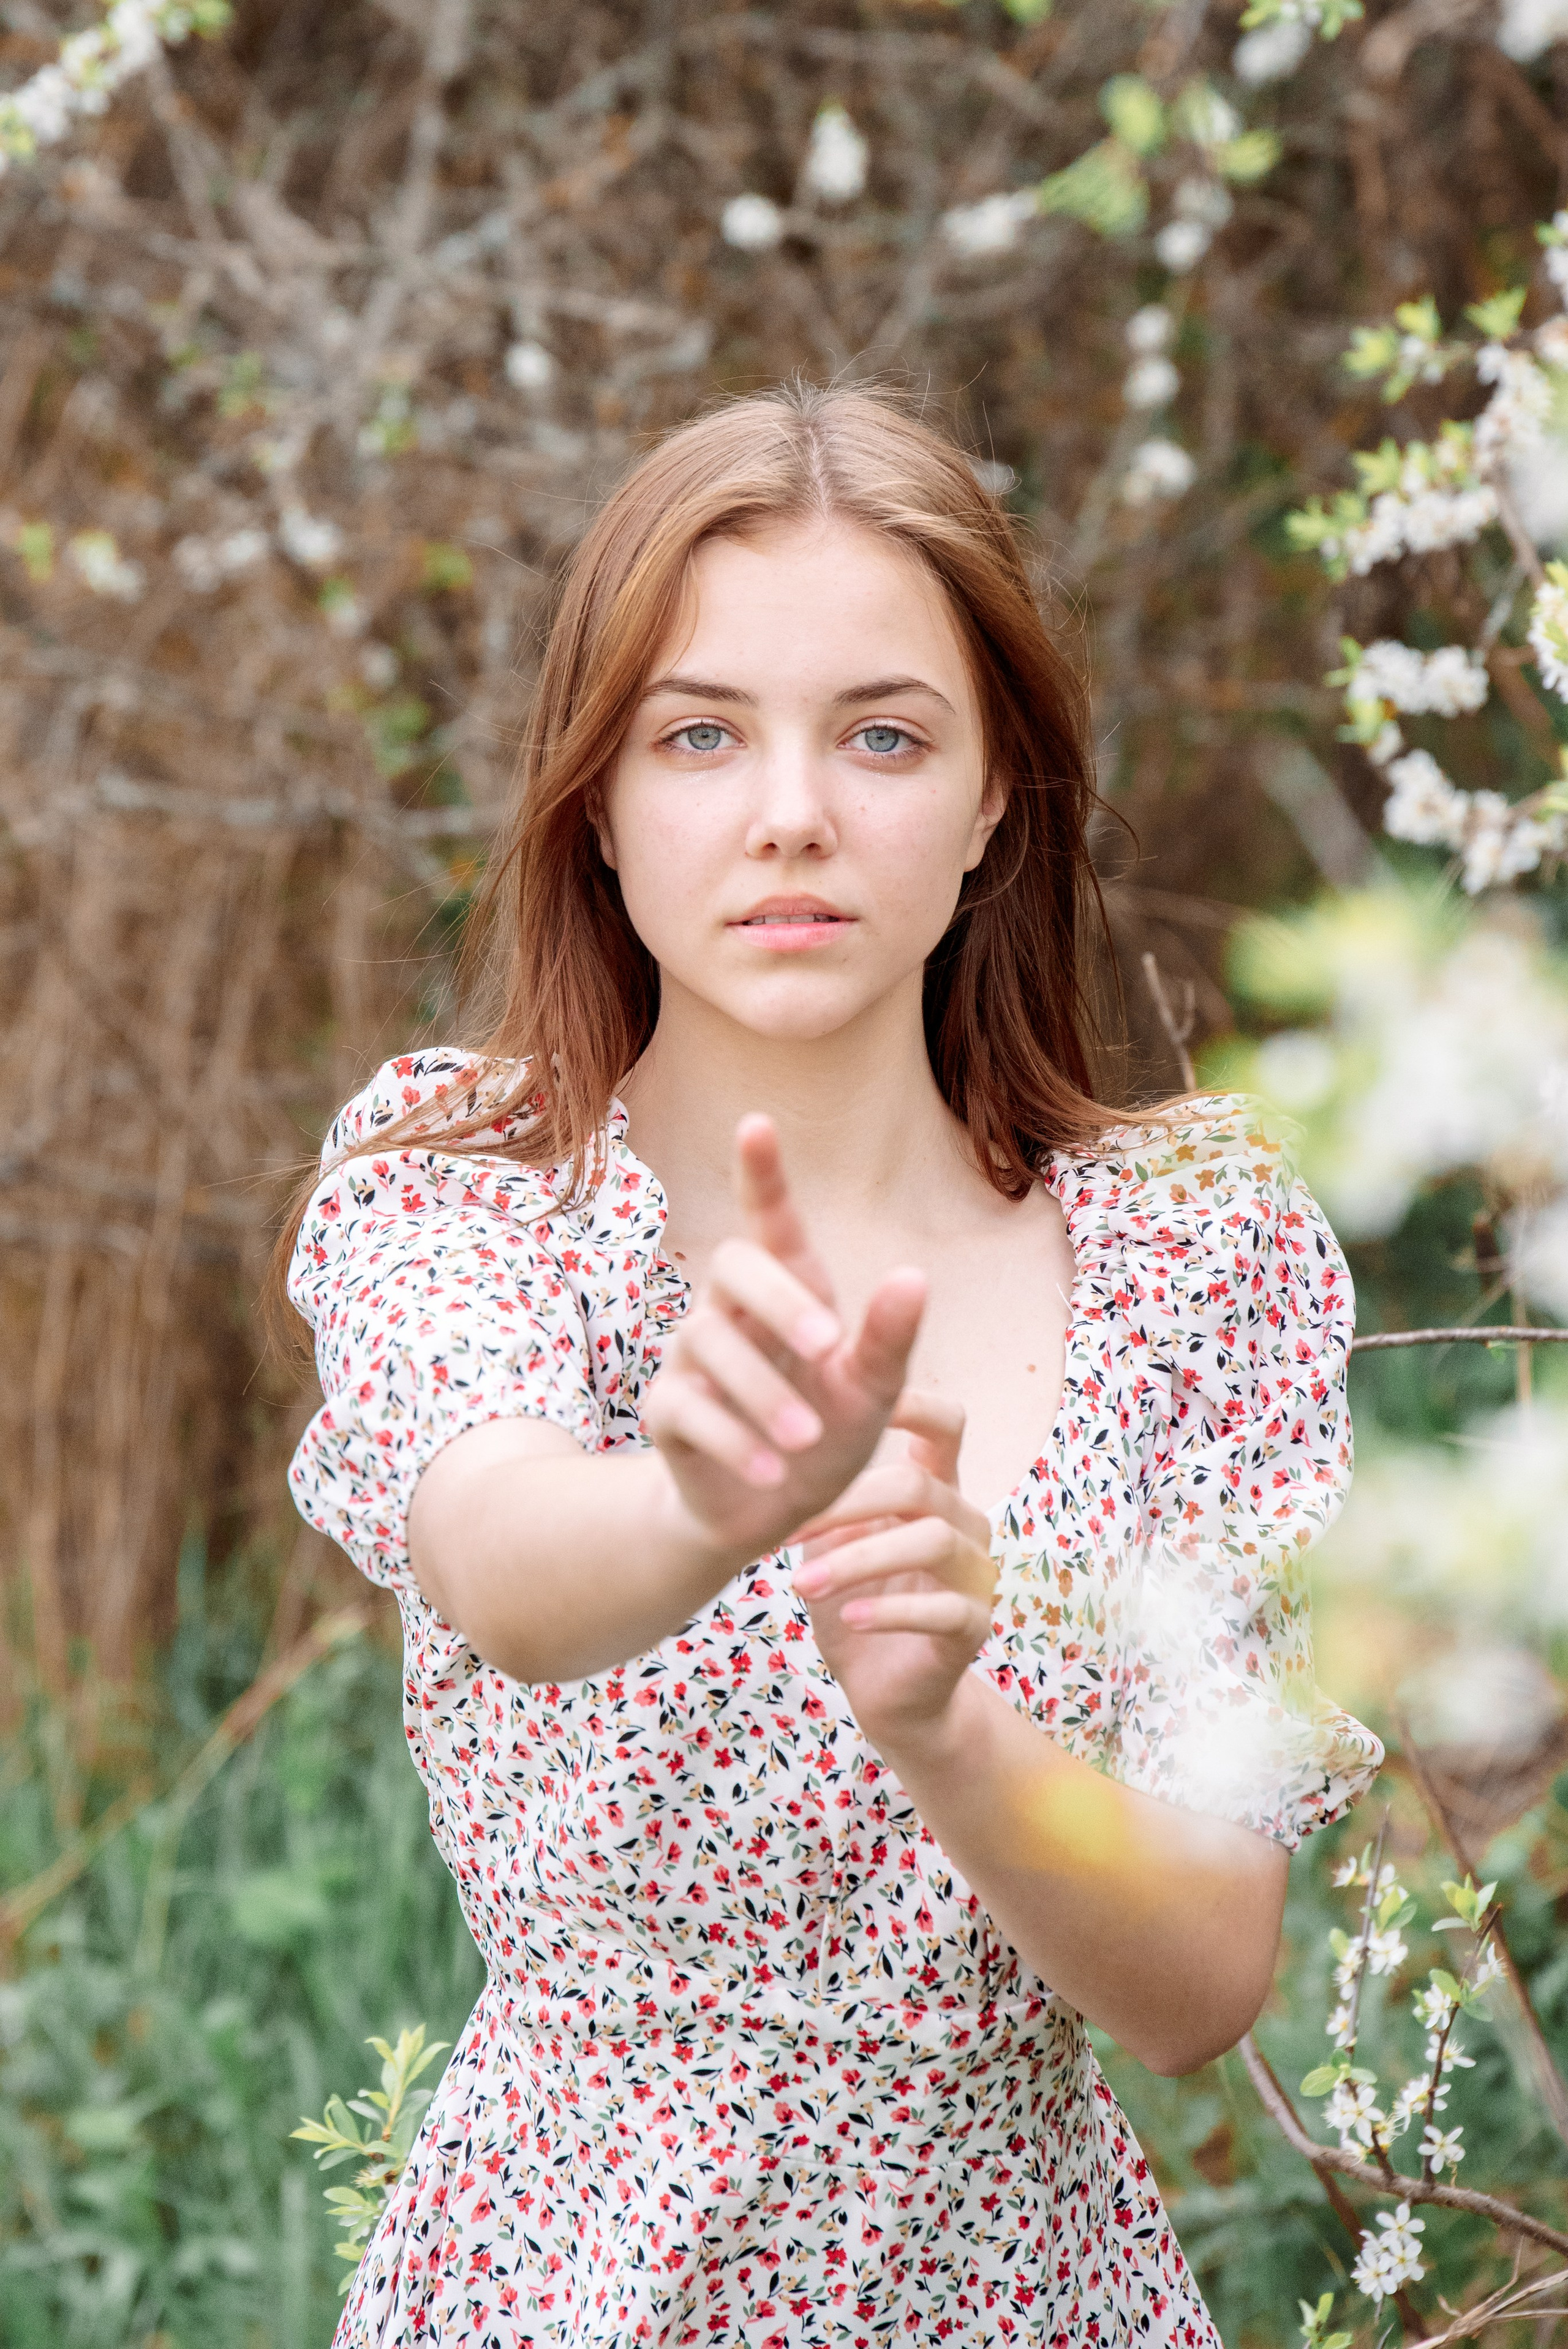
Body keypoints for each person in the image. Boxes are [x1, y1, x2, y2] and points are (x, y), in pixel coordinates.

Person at [279, 382, 1382, 2348]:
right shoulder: (467, 1194)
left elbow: (1202, 1976)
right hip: (566, 2291)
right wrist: (699, 1500)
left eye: (884, 734)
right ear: (597, 805)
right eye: (701, 734)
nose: (794, 807)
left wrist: (948, 1719)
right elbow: (499, 1556)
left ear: (991, 806)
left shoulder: (1196, 1263)